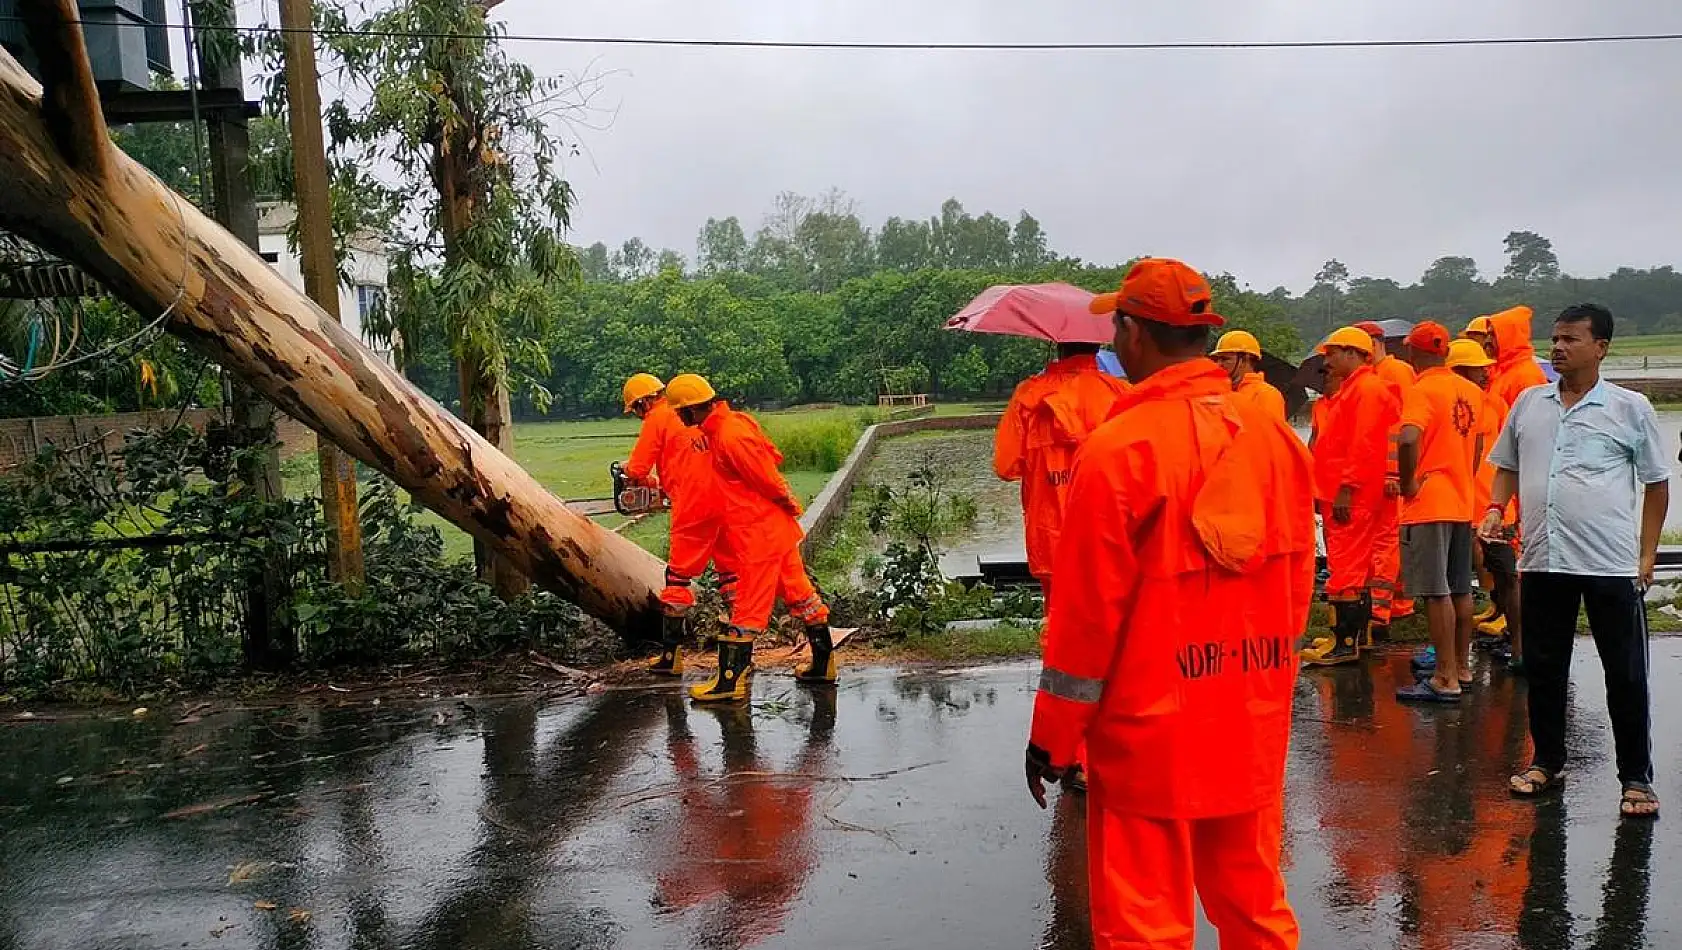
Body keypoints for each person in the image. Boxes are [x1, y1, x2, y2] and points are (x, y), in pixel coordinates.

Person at [1026, 258, 1315, 949]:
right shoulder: (1274, 440)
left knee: (1144, 923)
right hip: (1248, 715)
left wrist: (1054, 737)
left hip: (1148, 730)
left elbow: (1085, 617)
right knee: (1254, 905)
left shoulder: (1119, 450)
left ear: (1131, 332)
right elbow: (1300, 584)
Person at [1484, 304, 1669, 819]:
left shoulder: (1630, 408)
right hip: (1544, 558)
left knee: (1626, 673)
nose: (1558, 348)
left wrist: (1647, 553)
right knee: (1544, 668)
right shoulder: (1529, 403)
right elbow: (1506, 466)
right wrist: (1497, 508)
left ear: (1601, 348)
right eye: (1555, 338)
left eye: (1570, 339)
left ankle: (1636, 776)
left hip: (1610, 563)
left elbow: (1656, 484)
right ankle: (1546, 760)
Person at [664, 374, 836, 703]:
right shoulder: (721, 429)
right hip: (769, 531)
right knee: (802, 596)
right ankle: (823, 664)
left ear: (687, 411)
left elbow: (766, 476)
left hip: (760, 534)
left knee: (747, 609)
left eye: (679, 413)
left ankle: (730, 682)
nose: (679, 419)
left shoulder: (729, 435)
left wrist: (788, 502)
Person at [993, 341, 1130, 604]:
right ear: (1096, 347)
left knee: (1059, 628)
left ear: (1059, 346)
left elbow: (1006, 466)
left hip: (1052, 537)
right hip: (1112, 538)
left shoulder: (1029, 396)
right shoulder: (1122, 394)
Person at [1392, 322, 1485, 703]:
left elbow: (1409, 437)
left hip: (1430, 502)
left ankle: (1444, 677)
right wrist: (1464, 477)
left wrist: (1409, 480)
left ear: (1412, 354)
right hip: (1461, 500)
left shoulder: (1422, 389)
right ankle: (1461, 668)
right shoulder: (1471, 391)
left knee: (1436, 592)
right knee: (1461, 587)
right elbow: (1477, 446)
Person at [621, 373, 734, 676]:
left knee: (678, 580)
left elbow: (638, 468)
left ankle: (672, 656)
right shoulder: (689, 412)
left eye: (636, 409)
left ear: (644, 402)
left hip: (692, 505)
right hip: (723, 500)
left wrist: (628, 473)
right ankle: (738, 650)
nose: (638, 415)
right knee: (730, 576)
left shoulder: (656, 419)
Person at [1302, 326, 1401, 666]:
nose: (1327, 361)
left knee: (1345, 567)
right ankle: (1356, 637)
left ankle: (1344, 643)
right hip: (1346, 491)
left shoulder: (1367, 391)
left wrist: (1346, 488)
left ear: (1352, 353)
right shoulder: (1356, 390)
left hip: (1352, 494)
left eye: (1331, 353)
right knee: (1352, 566)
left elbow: (1363, 446)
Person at [1448, 340, 1522, 670]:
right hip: (1470, 505)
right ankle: (1504, 641)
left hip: (1491, 508)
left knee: (1507, 577)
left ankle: (1519, 647)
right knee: (1466, 580)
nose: (1485, 372)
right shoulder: (1470, 404)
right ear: (1460, 371)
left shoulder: (1491, 405)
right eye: (1479, 368)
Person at [1356, 320, 1413, 627]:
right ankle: (1400, 603)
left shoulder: (1394, 372)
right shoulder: (1378, 375)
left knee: (1385, 540)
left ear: (1375, 344)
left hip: (1388, 474)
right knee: (1391, 539)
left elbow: (1401, 428)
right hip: (1380, 472)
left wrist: (1394, 473)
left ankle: (1381, 609)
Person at [1211, 329, 1288, 422]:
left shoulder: (1267, 395)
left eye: (1225, 359)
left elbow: (1271, 435)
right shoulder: (1220, 393)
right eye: (1217, 359)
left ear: (1245, 359)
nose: (1219, 364)